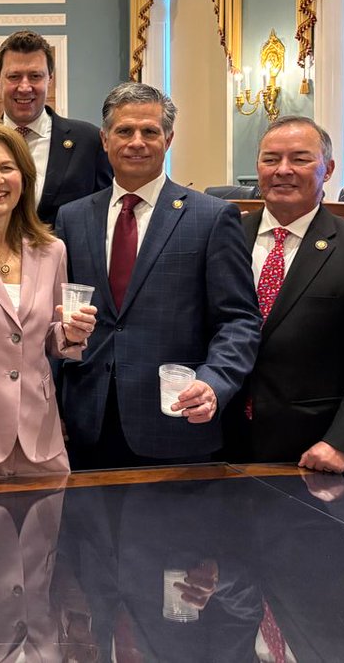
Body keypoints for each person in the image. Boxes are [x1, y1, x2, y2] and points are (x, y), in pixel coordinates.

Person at [54, 82, 260, 469]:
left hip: (176, 418)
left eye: (149, 131)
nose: (137, 142)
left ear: (168, 139)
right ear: (104, 139)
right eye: (124, 131)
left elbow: (239, 320)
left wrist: (215, 382)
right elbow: (56, 315)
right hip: (85, 423)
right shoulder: (73, 217)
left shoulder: (212, 217)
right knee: (83, 530)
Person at [0, 122, 95, 479]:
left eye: (7, 168)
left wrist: (72, 334)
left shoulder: (51, 250)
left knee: (46, 533)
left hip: (40, 434)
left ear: (23, 178)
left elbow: (52, 336)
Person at [223, 115, 344, 473]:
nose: (283, 170)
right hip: (217, 441)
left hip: (313, 450)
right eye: (270, 159)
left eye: (300, 158)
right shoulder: (223, 235)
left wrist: (341, 442)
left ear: (328, 169)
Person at [0, 30, 111, 226]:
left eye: (35, 76)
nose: (24, 87)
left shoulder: (89, 142)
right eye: (14, 76)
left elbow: (105, 213)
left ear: (50, 78)